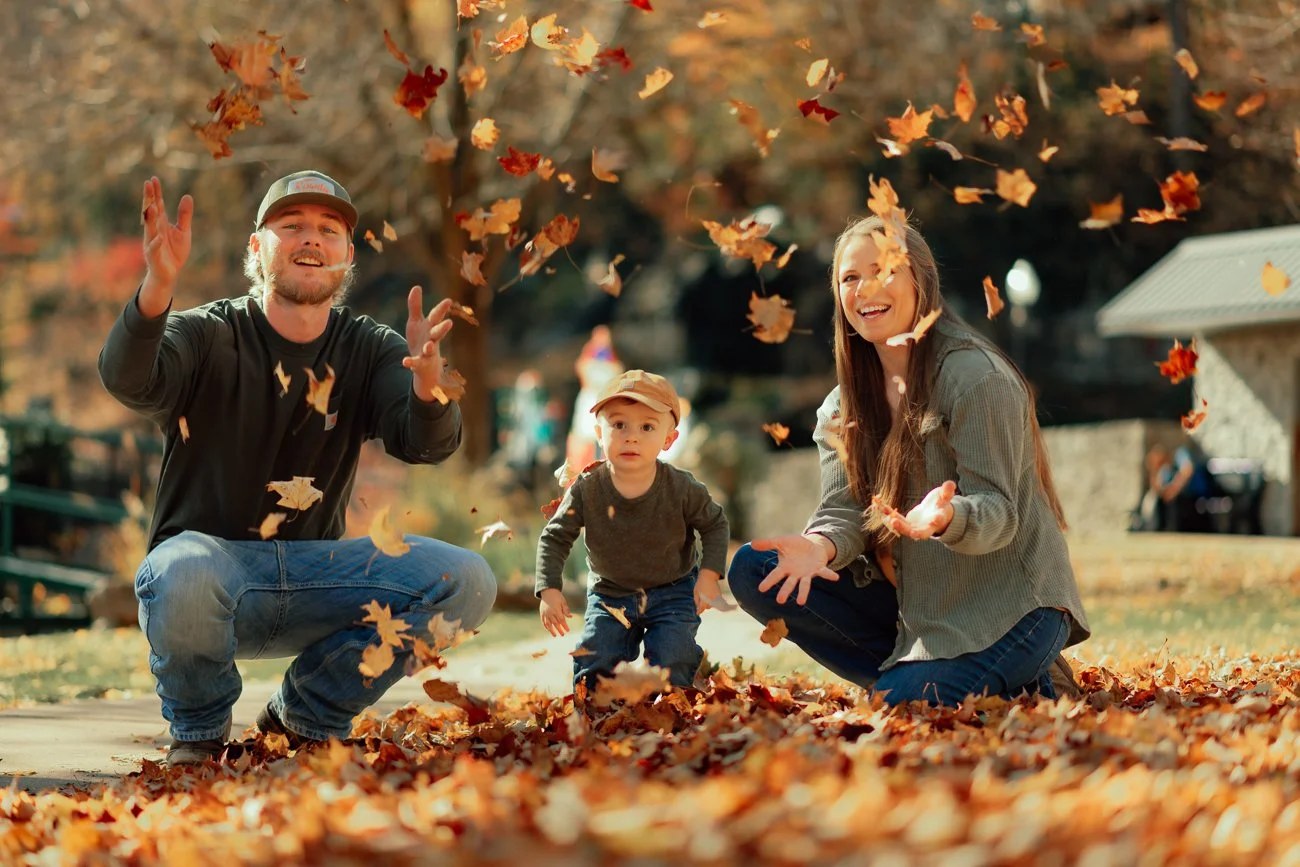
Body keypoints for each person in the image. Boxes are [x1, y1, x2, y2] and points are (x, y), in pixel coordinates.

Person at [99, 172, 497, 766]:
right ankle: (200, 737)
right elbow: (128, 379)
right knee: (181, 571)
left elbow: (426, 446)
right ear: (258, 248)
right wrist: (157, 287)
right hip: (211, 574)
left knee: (467, 579)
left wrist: (428, 390)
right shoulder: (208, 333)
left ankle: (304, 715)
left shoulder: (370, 347)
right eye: (292, 227)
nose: (311, 239)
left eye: (327, 229)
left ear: (346, 257)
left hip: (320, 578)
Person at [726, 215, 1090, 706]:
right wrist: (819, 546)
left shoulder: (975, 379)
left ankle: (971, 676)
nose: (864, 289)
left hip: (1015, 609)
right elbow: (844, 512)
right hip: (921, 609)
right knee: (754, 570)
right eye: (849, 278)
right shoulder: (842, 406)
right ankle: (989, 682)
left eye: (883, 271)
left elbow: (1000, 515)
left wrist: (948, 517)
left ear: (921, 279)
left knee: (902, 705)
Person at [534, 370, 730, 690]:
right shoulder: (587, 489)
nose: (631, 436)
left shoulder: (682, 488)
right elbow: (556, 536)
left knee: (672, 655)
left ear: (668, 439)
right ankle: (595, 719)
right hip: (609, 593)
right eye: (619, 424)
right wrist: (549, 589)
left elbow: (715, 524)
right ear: (600, 433)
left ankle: (671, 711)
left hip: (673, 591)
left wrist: (709, 575)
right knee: (595, 658)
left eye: (647, 426)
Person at [1146, 441, 1215, 532]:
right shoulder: (1166, 471)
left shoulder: (1180, 453)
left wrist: (1173, 490)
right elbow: (1158, 490)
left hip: (1194, 497)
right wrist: (1154, 471)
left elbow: (1188, 470)